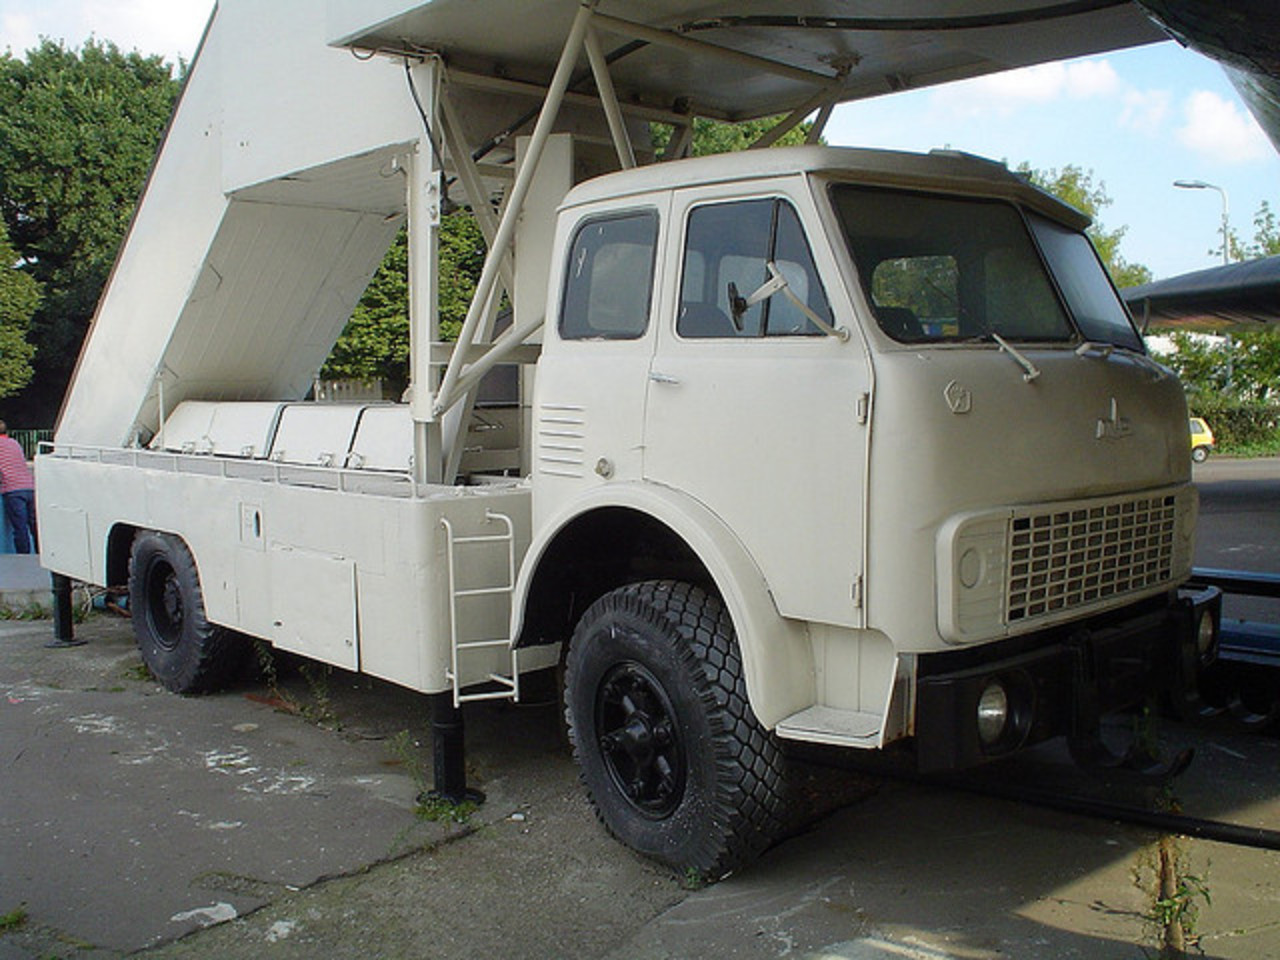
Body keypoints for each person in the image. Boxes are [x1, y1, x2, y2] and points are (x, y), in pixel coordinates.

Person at [0, 420, 37, 554]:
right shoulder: (14, 443)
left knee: (20, 527)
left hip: (13, 489)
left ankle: (24, 556)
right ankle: (40, 553)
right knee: (34, 525)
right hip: (29, 486)